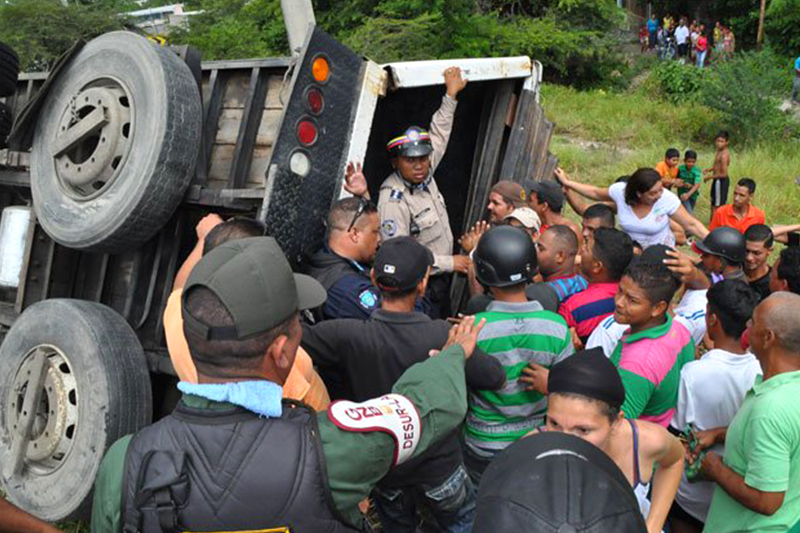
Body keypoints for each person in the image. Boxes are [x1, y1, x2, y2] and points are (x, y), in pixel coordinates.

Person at [91, 237, 484, 532]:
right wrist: (453, 353)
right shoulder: (331, 451)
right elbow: (422, 407)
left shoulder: (126, 461)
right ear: (281, 353)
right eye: (298, 324)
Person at [301, 237, 506, 532]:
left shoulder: (345, 335)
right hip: (441, 468)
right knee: (463, 523)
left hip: (387, 471)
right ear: (423, 283)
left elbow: (294, 339)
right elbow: (495, 377)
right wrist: (459, 350)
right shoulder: (442, 335)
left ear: (372, 278)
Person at [164, 215, 331, 411]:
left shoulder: (182, 313)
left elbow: (180, 288)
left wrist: (205, 240)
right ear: (280, 350)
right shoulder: (281, 365)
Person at [463, 226, 574, 484]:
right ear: (532, 268)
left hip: (483, 442)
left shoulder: (472, 329)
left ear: (481, 274)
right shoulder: (557, 327)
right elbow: (567, 388)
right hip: (535, 438)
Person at [544, 349, 685, 533]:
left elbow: (674, 460)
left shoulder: (645, 441)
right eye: (554, 423)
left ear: (616, 421)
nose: (564, 441)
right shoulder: (529, 452)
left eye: (583, 430)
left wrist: (653, 525)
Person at [367, 67, 469, 319]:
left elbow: (440, 133)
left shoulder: (426, 174)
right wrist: (450, 262)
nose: (419, 165)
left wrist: (451, 95)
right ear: (395, 163)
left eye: (423, 158)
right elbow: (398, 254)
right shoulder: (393, 199)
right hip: (421, 288)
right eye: (411, 161)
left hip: (440, 281)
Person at [700, 292, 800, 532]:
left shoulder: (770, 408)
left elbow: (767, 500)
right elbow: (787, 441)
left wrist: (716, 470)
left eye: (753, 321)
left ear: (768, 337)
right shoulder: (789, 390)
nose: (746, 325)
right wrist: (721, 434)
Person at [668, 280, 762, 533]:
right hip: (737, 495)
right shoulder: (762, 370)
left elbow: (676, 434)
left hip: (691, 496)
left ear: (712, 320)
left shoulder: (693, 373)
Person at [611, 246, 695, 427]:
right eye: (620, 291)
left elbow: (617, 428)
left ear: (658, 308)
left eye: (632, 300)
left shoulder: (637, 365)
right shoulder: (678, 330)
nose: (619, 302)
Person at [556, 167, 708, 249]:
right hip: (631, 253)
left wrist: (715, 242)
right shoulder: (620, 193)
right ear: (639, 193)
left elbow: (691, 224)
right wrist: (568, 184)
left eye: (661, 189)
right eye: (654, 193)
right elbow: (595, 192)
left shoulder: (667, 200)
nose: (659, 195)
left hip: (660, 256)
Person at [306, 197, 383, 321]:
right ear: (355, 234)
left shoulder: (328, 254)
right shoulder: (347, 289)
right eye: (375, 232)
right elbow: (393, 323)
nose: (379, 239)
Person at [559, 227, 634, 345]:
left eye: (587, 248)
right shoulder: (634, 299)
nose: (582, 249)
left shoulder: (573, 307)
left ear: (597, 266)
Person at [536, 225, 588, 303]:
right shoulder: (583, 282)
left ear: (560, 256)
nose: (535, 252)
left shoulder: (546, 296)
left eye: (541, 249)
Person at [704, 130, 731, 220]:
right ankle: (712, 224)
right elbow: (718, 167)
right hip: (717, 180)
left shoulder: (724, 155)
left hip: (720, 181)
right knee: (713, 203)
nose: (719, 143)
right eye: (718, 141)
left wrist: (710, 177)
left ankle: (715, 227)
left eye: (722, 141)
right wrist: (710, 169)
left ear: (727, 142)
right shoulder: (719, 151)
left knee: (717, 206)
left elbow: (724, 174)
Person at [744, 224, 774, 301]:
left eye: (756, 253)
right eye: (746, 251)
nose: (749, 258)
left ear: (769, 251)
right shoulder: (732, 268)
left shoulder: (772, 284)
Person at [676, 149, 701, 213]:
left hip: (693, 195)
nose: (691, 164)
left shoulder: (696, 170)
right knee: (689, 213)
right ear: (684, 161)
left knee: (690, 210)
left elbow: (697, 184)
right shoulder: (680, 169)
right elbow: (676, 180)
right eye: (689, 162)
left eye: (693, 162)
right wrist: (680, 184)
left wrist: (688, 194)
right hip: (682, 194)